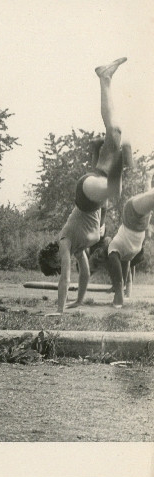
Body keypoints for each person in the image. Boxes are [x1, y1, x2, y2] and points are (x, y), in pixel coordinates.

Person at [38, 58, 130, 315]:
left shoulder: (65, 242)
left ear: (54, 256)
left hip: (86, 195)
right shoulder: (78, 249)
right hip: (94, 192)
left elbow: (66, 278)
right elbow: (85, 274)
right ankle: (106, 79)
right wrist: (78, 302)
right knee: (115, 132)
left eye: (56, 265)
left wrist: (59, 310)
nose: (60, 266)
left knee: (116, 189)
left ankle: (122, 159)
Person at [106, 176, 153, 307]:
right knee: (147, 198)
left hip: (139, 233)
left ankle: (148, 178)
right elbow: (122, 268)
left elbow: (124, 265)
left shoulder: (124, 254)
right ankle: (119, 294)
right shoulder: (113, 248)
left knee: (147, 198)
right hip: (131, 219)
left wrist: (119, 287)